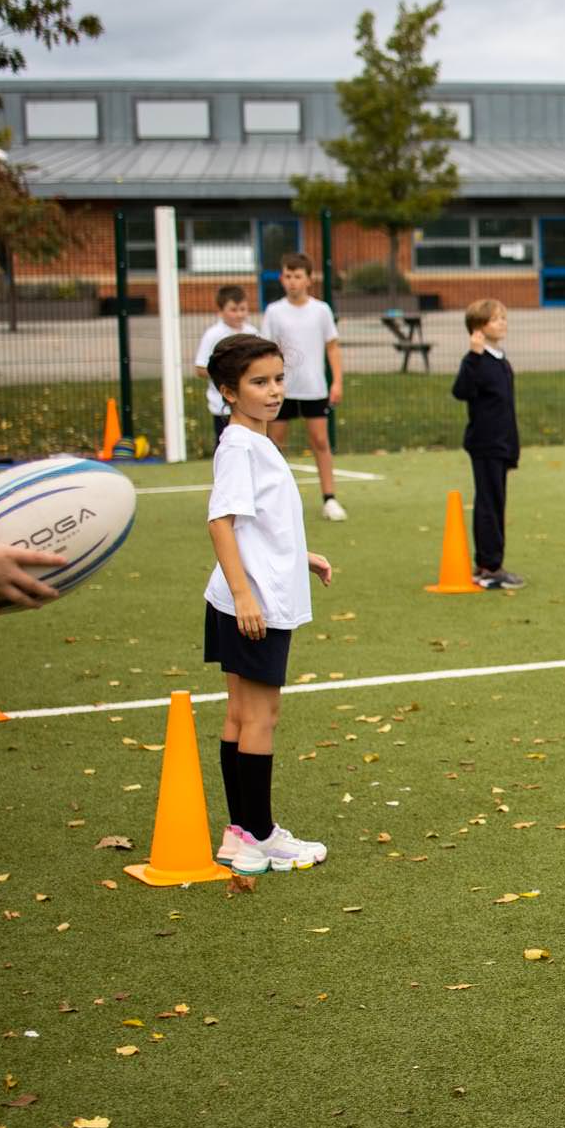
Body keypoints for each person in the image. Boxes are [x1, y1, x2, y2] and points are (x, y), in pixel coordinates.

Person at [203, 333, 337, 875]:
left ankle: (241, 832)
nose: (275, 390)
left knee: (240, 715)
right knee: (262, 715)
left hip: (248, 592)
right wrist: (244, 596)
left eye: (279, 379)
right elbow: (221, 522)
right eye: (259, 382)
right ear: (228, 391)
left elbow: (259, 523)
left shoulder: (254, 441)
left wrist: (298, 554)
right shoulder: (239, 446)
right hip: (252, 603)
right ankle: (260, 838)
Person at [261, 254, 346, 520]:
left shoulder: (321, 310)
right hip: (281, 390)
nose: (293, 282)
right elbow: (266, 351)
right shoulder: (274, 311)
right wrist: (269, 384)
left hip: (314, 388)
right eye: (288, 276)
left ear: (309, 279)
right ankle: (273, 502)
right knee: (274, 444)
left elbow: (332, 347)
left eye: (298, 276)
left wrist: (337, 381)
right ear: (281, 278)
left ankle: (329, 499)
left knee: (320, 441)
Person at [451, 299, 522, 590]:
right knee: (489, 504)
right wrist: (473, 356)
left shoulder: (500, 359)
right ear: (479, 328)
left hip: (502, 443)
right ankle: (490, 567)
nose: (503, 323)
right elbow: (462, 391)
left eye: (504, 318)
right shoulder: (477, 360)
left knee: (496, 502)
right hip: (485, 443)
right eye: (496, 319)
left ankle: (489, 563)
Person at [191, 284, 258, 456]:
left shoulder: (252, 333)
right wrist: (227, 373)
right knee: (227, 449)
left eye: (242, 309)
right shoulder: (213, 334)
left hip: (249, 404)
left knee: (251, 447)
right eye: (233, 310)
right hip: (222, 406)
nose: (239, 314)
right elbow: (200, 368)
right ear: (221, 311)